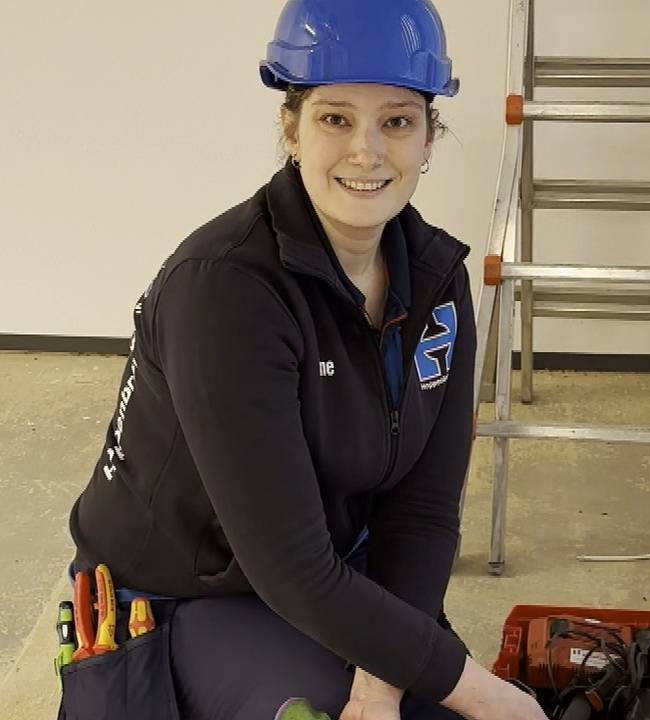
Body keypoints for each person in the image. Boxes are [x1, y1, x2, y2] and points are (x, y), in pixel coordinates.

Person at [63, 1, 546, 718]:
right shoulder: (226, 290)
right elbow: (288, 566)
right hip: (183, 597)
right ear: (291, 129)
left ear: (428, 138)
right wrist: (481, 693)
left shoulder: (437, 282)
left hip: (330, 571)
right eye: (335, 118)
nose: (367, 151)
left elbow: (423, 514)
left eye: (397, 121)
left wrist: (384, 686)